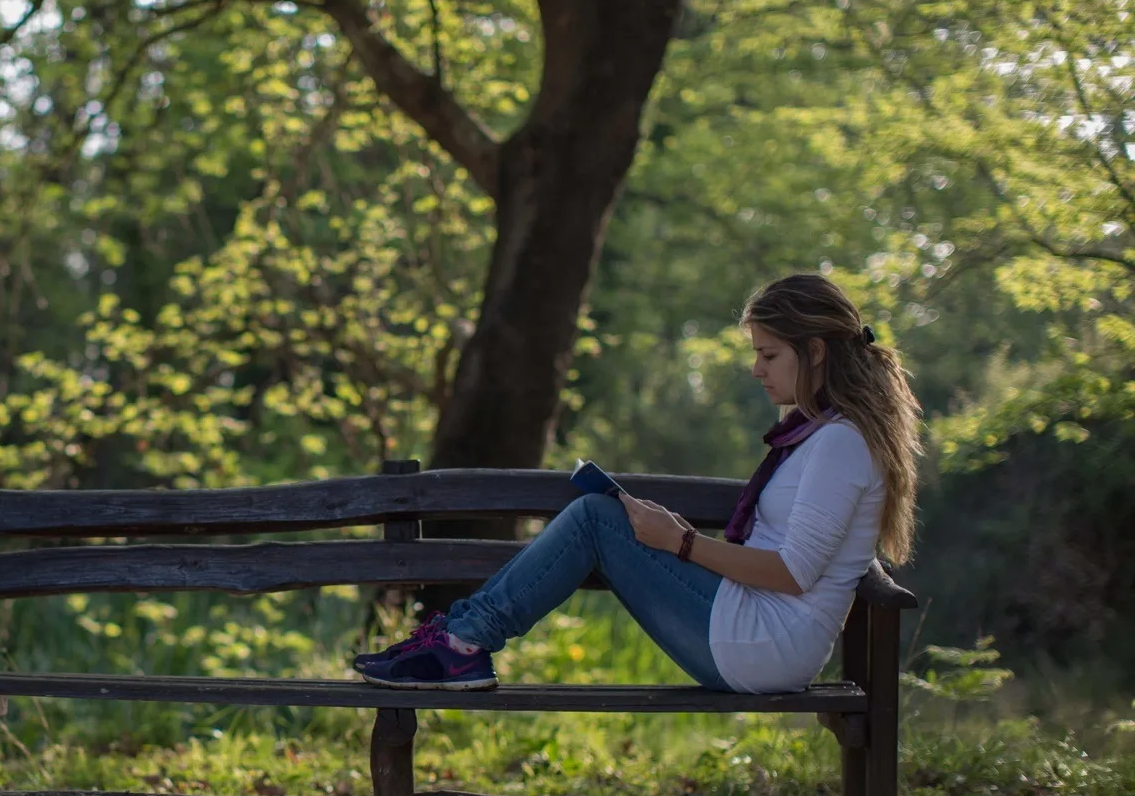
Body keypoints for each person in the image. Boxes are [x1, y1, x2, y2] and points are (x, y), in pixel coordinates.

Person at [355, 274, 923, 693]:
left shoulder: (841, 443)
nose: (757, 369)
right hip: (754, 628)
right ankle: (462, 639)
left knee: (594, 519)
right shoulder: (817, 434)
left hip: (765, 645)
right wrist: (675, 536)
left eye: (769, 355)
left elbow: (793, 573)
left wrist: (683, 544)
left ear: (816, 351)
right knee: (602, 516)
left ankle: (461, 645)